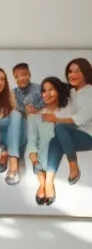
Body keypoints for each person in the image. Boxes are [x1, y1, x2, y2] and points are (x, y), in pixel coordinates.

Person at [44, 56, 92, 188]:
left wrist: (57, 119)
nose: (72, 74)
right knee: (56, 139)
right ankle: (49, 182)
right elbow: (53, 95)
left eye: (77, 71)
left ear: (86, 73)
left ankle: (73, 164)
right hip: (70, 134)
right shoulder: (71, 92)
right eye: (70, 71)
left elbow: (79, 119)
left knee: (60, 128)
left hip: (88, 135)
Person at [29, 77, 73, 206]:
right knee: (41, 146)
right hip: (42, 152)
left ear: (58, 91)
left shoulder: (68, 112)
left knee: (54, 141)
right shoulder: (36, 116)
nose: (47, 94)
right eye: (44, 91)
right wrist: (32, 153)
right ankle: (42, 179)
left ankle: (48, 180)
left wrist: (57, 119)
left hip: (61, 148)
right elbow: (32, 139)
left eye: (51, 90)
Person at [12, 62, 43, 177]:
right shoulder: (13, 93)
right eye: (17, 76)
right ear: (15, 78)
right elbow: (13, 108)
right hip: (22, 123)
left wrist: (35, 110)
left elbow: (46, 105)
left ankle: (37, 161)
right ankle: (19, 158)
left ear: (29, 75)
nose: (21, 78)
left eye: (24, 74)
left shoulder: (39, 89)